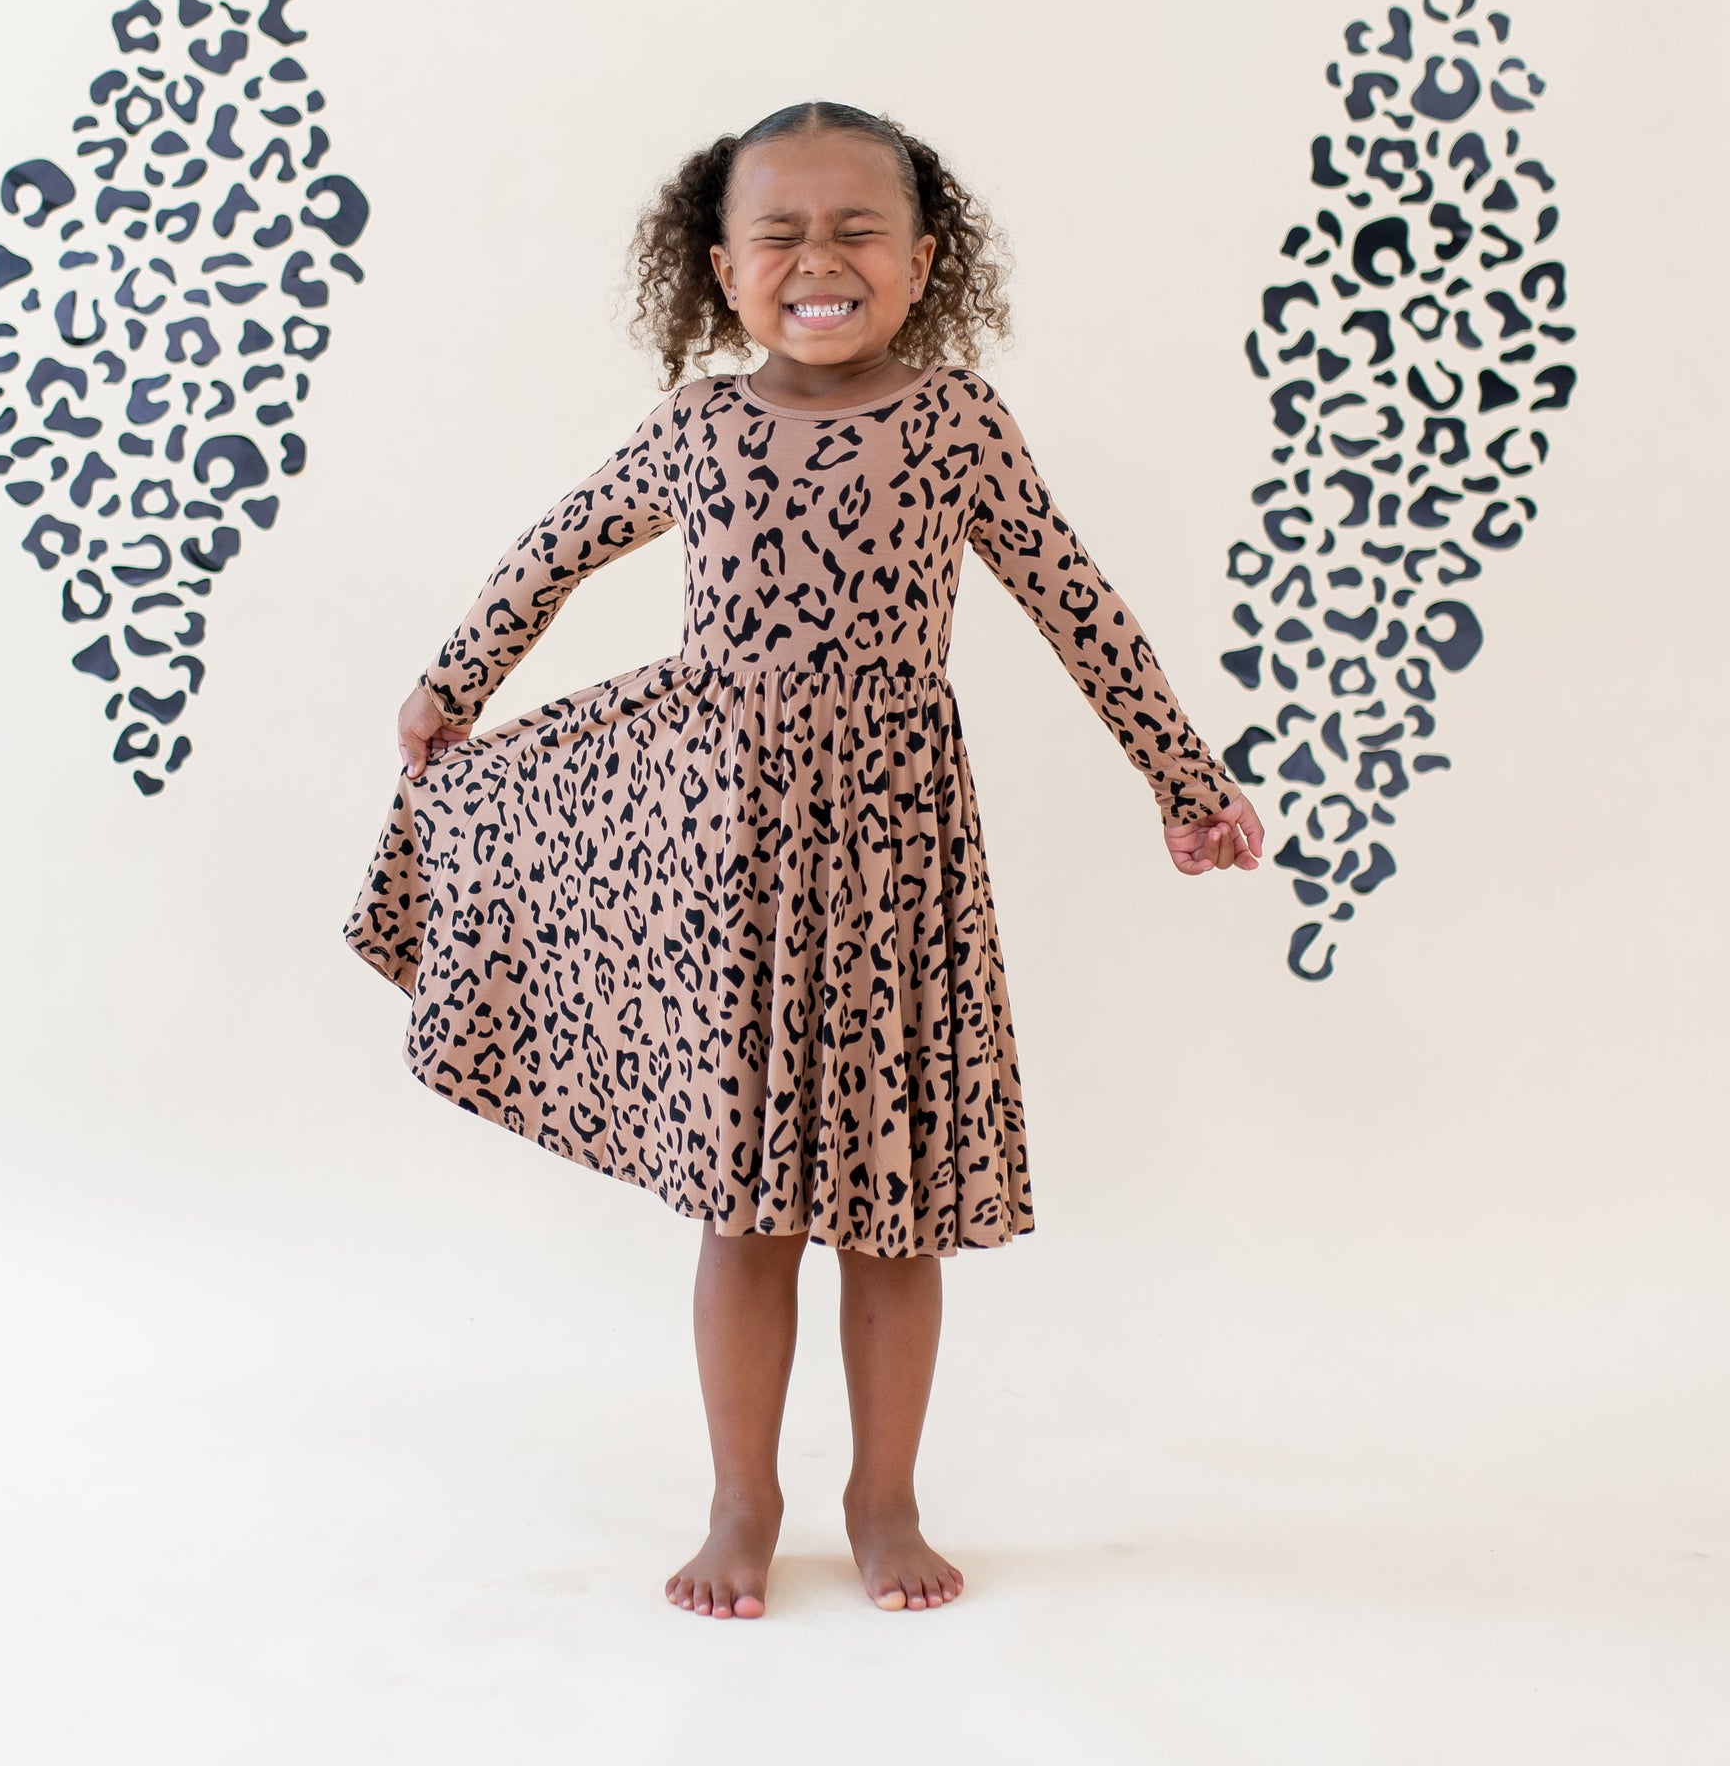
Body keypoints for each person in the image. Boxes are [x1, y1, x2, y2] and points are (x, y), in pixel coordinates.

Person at [344, 100, 1264, 1622]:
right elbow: (556, 546)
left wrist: (1183, 779)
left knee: (894, 1208)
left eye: (857, 230)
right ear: (718, 265)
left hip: (900, 849)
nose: (818, 260)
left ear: (923, 260)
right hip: (730, 857)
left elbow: (1076, 602)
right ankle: (741, 1497)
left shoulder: (958, 423)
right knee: (748, 1203)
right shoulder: (698, 427)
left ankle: (885, 1495)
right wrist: (456, 682)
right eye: (779, 234)